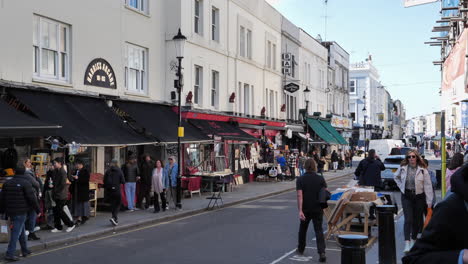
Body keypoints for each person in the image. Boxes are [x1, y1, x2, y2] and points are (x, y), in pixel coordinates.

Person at [402, 163, 468, 264]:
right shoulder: (451, 208)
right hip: (413, 198)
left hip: (422, 199)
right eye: (410, 157)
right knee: (412, 219)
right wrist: (461, 257)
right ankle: (409, 241)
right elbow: (413, 259)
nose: (412, 159)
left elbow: (430, 184)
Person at [394, 150, 434, 253]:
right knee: (408, 219)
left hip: (419, 197)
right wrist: (401, 187)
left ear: (417, 158)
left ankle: (413, 239)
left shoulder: (422, 170)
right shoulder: (403, 168)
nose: (411, 158)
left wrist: (429, 201)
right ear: (407, 159)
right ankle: (407, 242)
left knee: (417, 220)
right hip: (406, 196)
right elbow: (396, 177)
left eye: (413, 156)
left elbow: (428, 186)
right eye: (409, 157)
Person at [0, 166, 40, 261]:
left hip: (10, 211)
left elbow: (2, 198)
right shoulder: (26, 183)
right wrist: (38, 210)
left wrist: (2, 211)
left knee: (21, 230)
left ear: (14, 172)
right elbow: (32, 199)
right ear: (24, 173)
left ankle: (25, 250)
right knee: (16, 233)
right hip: (21, 211)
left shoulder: (7, 183)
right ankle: (10, 253)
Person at [296, 159, 327, 262]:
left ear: (305, 166)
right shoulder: (320, 179)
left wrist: (300, 210)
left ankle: (301, 248)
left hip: (306, 208)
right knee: (318, 230)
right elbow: (324, 192)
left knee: (303, 229)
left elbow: (300, 195)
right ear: (315, 166)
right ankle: (322, 252)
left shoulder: (300, 179)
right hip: (318, 208)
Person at [51, 158, 75, 233]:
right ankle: (58, 227)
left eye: (55, 163)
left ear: (59, 163)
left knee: (59, 210)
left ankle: (70, 224)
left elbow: (62, 184)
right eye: (53, 163)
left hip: (61, 194)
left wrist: (56, 190)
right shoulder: (55, 171)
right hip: (55, 194)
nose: (54, 164)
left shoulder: (63, 172)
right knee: (56, 210)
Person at [23, 159, 41, 241]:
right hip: (31, 195)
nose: (30, 163)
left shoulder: (29, 172)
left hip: (29, 195)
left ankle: (29, 232)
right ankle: (30, 232)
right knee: (32, 214)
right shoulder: (27, 173)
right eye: (29, 162)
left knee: (29, 215)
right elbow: (36, 184)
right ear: (25, 163)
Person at [104, 160, 125, 226]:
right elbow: (123, 181)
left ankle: (114, 218)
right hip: (117, 190)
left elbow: (104, 180)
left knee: (113, 204)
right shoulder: (119, 171)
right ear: (117, 164)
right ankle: (114, 217)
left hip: (110, 191)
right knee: (118, 203)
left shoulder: (108, 171)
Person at [69, 160, 90, 225]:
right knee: (77, 205)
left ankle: (81, 218)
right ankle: (79, 217)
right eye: (76, 164)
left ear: (81, 164)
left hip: (82, 191)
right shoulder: (75, 171)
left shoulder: (85, 171)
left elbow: (86, 180)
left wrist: (78, 178)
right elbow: (73, 180)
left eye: (77, 164)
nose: (76, 166)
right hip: (76, 190)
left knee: (81, 205)